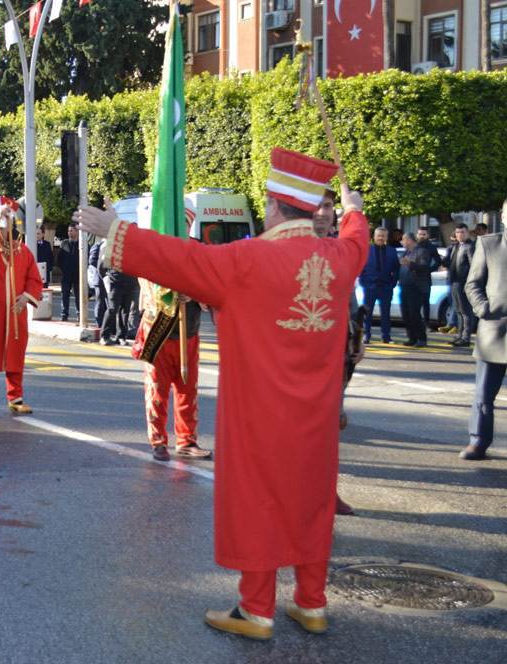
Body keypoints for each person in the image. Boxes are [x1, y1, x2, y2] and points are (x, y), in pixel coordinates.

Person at [76, 147, 368, 640]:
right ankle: (311, 603)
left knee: (262, 502)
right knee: (312, 502)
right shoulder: (339, 258)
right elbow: (357, 238)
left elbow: (180, 258)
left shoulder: (246, 260)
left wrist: (114, 230)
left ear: (276, 206)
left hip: (260, 417)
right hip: (316, 420)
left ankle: (257, 610)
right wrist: (353, 206)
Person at [0, 196, 42, 416]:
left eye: (8, 222)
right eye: (0, 223)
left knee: (15, 354)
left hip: (15, 313)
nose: (5, 227)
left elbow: (34, 278)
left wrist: (27, 296)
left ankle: (16, 397)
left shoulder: (23, 251)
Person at [313, 190, 359, 517]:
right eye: (316, 205)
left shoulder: (340, 250)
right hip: (302, 355)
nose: (323, 212)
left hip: (336, 352)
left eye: (329, 205)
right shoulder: (285, 247)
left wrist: (356, 338)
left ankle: (327, 492)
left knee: (330, 429)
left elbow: (349, 298)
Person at [139, 287, 211, 461]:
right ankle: (158, 441)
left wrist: (194, 293)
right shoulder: (155, 259)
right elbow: (147, 280)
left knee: (188, 389)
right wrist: (170, 294)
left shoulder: (200, 259)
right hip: (159, 330)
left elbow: (210, 285)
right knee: (157, 389)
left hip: (189, 331)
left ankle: (187, 441)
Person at [461, 228, 507, 461]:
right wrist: (483, 309)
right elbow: (473, 284)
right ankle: (478, 441)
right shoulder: (489, 244)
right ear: (503, 217)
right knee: (484, 393)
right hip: (494, 329)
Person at [358, 227, 399, 344]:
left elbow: (396, 269)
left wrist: (393, 283)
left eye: (383, 236)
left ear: (386, 237)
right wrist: (364, 282)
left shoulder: (392, 251)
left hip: (386, 287)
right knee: (367, 313)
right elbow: (360, 268)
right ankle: (366, 335)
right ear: (374, 237)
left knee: (385, 313)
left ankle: (386, 336)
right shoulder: (366, 250)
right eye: (379, 235)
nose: (381, 238)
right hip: (370, 286)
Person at [444, 223, 476, 348]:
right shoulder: (456, 246)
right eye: (457, 232)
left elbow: (474, 266)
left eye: (462, 232)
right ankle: (459, 335)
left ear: (467, 233)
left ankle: (466, 337)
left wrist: (470, 283)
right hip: (454, 281)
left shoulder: (469, 246)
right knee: (458, 310)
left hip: (464, 283)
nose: (459, 235)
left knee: (466, 311)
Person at [399, 233, 430, 347]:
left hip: (416, 288)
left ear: (409, 240)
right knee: (406, 314)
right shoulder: (406, 252)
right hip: (405, 287)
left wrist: (410, 263)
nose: (402, 242)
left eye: (403, 240)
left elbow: (424, 267)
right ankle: (412, 337)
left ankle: (421, 338)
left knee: (414, 314)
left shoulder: (421, 251)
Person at [415, 227, 441, 326]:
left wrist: (429, 269)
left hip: (425, 279)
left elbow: (438, 261)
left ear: (428, 235)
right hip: (413, 279)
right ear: (417, 235)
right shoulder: (413, 245)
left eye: (424, 234)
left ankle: (426, 323)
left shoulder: (431, 247)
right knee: (414, 303)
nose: (422, 236)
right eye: (420, 234)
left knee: (425, 302)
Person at [58, 223, 81, 322]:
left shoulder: (82, 244)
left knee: (78, 295)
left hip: (78, 275)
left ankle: (80, 314)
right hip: (66, 274)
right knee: (65, 295)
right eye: (68, 231)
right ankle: (64, 314)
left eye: (71, 230)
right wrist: (64, 268)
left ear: (77, 231)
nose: (69, 233)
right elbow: (59, 259)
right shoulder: (64, 243)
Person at [88, 237, 107, 328]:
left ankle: (106, 323)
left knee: (107, 302)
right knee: (100, 301)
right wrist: (103, 267)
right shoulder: (97, 246)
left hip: (107, 279)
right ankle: (99, 322)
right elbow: (92, 261)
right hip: (99, 279)